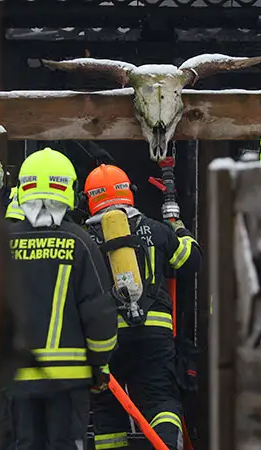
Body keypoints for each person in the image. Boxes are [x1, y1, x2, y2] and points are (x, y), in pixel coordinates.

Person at [2, 147, 119, 450]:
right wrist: (100, 363)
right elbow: (98, 312)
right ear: (69, 189)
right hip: (69, 379)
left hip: (17, 376)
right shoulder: (79, 241)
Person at [82, 164, 201, 450]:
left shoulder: (83, 240)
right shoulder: (155, 230)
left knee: (107, 407)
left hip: (106, 339)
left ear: (89, 198)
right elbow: (190, 261)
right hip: (154, 335)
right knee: (160, 399)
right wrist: (178, 227)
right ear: (128, 193)